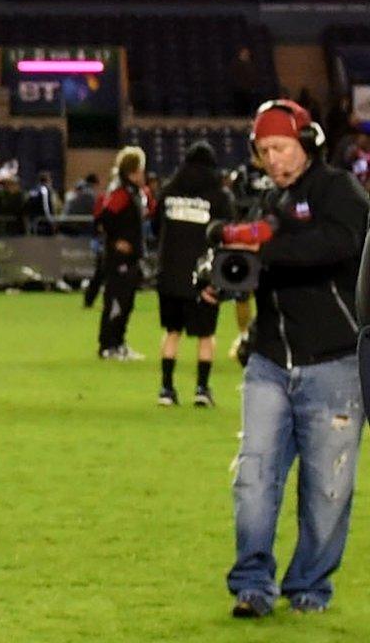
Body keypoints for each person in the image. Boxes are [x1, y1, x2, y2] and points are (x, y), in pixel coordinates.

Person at [205, 99, 369, 617]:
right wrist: (225, 279)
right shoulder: (268, 202)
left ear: (307, 140)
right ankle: (252, 585)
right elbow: (257, 265)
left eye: (281, 146)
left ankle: (309, 589)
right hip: (271, 361)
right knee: (253, 479)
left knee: (327, 490)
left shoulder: (340, 191)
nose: (273, 159)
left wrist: (262, 245)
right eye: (264, 150)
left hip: (335, 363)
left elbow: (339, 246)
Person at [153, 142, 234, 406]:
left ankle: (166, 389)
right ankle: (201, 388)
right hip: (204, 276)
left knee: (172, 331)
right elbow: (228, 235)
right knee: (206, 335)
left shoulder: (168, 191)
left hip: (170, 274)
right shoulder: (219, 197)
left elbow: (155, 227)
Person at [93, 147, 149, 359]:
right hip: (119, 260)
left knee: (126, 303)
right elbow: (103, 219)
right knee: (116, 302)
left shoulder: (133, 192)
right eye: (141, 169)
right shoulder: (121, 193)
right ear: (133, 170)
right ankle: (108, 346)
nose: (143, 174)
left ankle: (119, 343)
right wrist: (116, 241)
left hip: (131, 257)